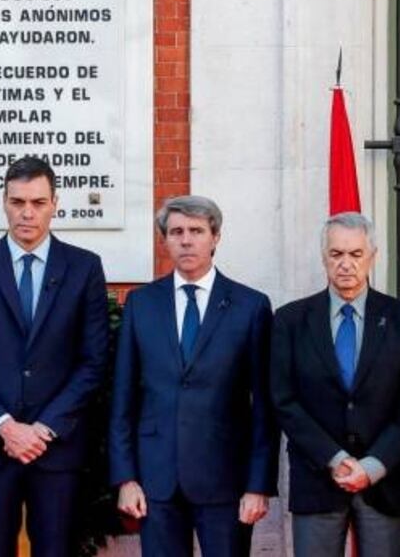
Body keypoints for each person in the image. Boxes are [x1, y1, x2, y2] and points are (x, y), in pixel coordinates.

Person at [0, 156, 110, 557]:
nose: (27, 213)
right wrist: (5, 427)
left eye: (37, 202)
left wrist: (43, 428)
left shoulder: (84, 268)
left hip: (56, 448)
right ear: (4, 202)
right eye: (17, 202)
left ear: (55, 203)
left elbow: (93, 360)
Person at [108, 195, 278, 556]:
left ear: (215, 237)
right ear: (165, 240)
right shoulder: (141, 304)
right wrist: (126, 478)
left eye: (197, 231)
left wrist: (258, 484)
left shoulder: (251, 306)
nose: (186, 240)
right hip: (156, 481)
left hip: (227, 482)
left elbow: (265, 404)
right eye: (177, 232)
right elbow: (123, 399)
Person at [269, 212, 400, 556]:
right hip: (317, 479)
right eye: (336, 254)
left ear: (372, 257)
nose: (345, 264)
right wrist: (335, 458)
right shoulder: (290, 320)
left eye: (355, 254)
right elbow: (284, 401)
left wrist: (371, 467)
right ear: (323, 257)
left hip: (384, 482)